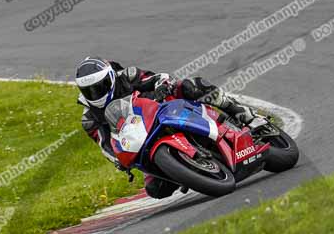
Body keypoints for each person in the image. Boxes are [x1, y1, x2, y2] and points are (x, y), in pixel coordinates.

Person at [75, 56, 265, 199]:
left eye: (100, 86)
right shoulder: (89, 119)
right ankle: (190, 170)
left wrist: (162, 85)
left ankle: (242, 113)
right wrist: (118, 160)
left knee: (190, 86)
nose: (95, 93)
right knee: (155, 190)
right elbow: (105, 145)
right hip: (140, 138)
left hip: (163, 109)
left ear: (110, 77)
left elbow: (159, 77)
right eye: (89, 90)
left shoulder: (128, 76)